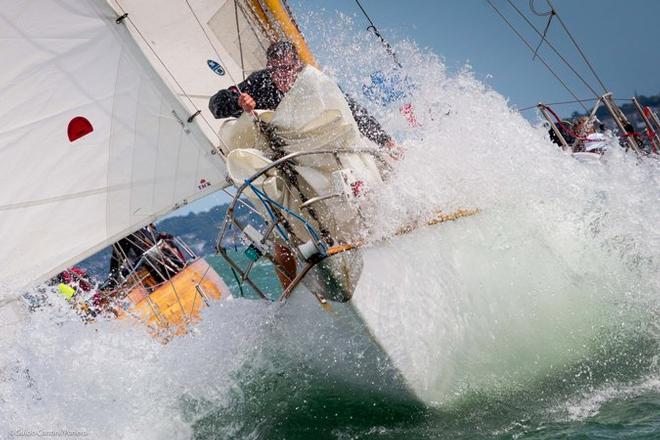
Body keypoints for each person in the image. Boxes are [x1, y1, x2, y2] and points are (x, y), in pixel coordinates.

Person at [209, 40, 396, 151]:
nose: (282, 75)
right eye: (276, 70)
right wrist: (239, 102)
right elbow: (216, 105)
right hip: (286, 149)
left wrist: (386, 141)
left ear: (298, 65)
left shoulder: (313, 81)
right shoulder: (261, 81)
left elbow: (352, 110)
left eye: (288, 69)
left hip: (322, 142)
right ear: (269, 67)